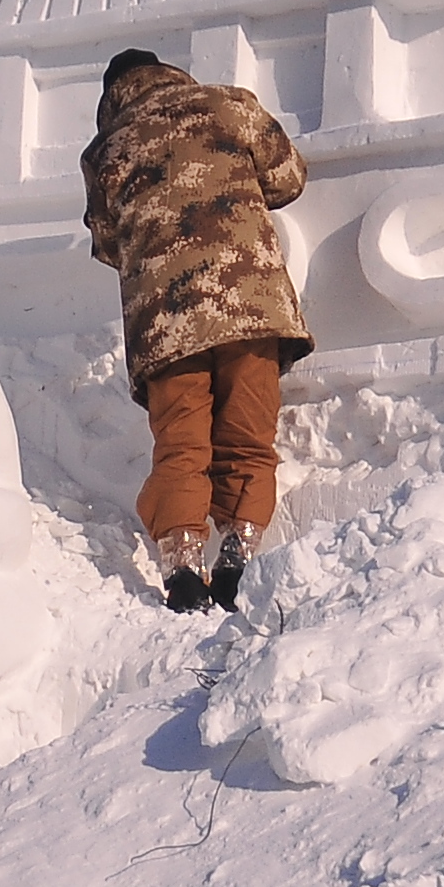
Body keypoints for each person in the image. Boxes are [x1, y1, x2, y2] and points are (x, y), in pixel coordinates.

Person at [83, 48, 314, 612]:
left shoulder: (107, 151)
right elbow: (287, 180)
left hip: (165, 324)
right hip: (250, 305)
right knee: (248, 440)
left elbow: (108, 244)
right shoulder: (230, 106)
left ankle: (183, 565)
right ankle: (236, 553)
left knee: (181, 447)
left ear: (112, 98)